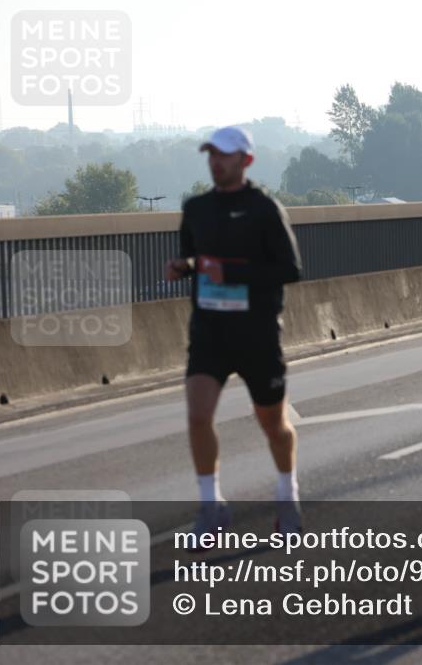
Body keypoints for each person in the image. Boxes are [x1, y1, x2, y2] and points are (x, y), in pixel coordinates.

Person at [165, 126, 303, 544]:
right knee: (197, 415)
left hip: (257, 332)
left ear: (246, 160)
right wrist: (184, 267)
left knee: (274, 425)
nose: (215, 161)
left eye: (224, 155)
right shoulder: (196, 208)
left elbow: (290, 270)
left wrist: (235, 273)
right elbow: (195, 254)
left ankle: (288, 498)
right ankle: (212, 506)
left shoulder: (264, 209)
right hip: (209, 330)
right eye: (210, 154)